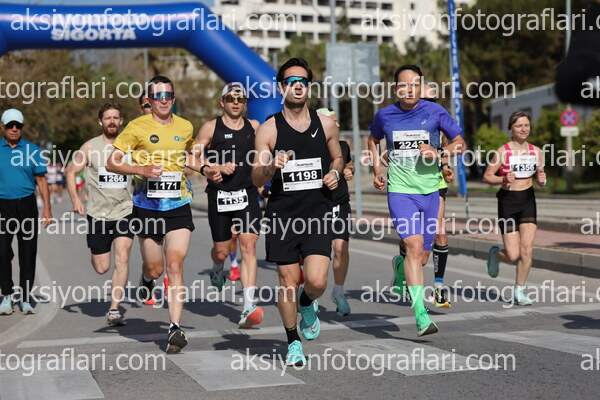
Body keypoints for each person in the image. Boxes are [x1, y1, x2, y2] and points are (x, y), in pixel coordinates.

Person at [252, 58, 343, 365]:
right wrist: (270, 167)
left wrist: (336, 172)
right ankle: (293, 342)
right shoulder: (268, 129)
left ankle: (307, 302)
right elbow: (256, 178)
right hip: (283, 216)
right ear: (281, 88)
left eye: (303, 81)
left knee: (316, 282)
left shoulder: (326, 124)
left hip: (317, 213)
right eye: (291, 81)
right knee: (287, 281)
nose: (298, 85)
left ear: (309, 87)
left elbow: (338, 158)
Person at [368, 65, 465, 336]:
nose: (409, 90)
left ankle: (400, 267)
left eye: (414, 85)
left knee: (421, 257)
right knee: (413, 245)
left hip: (431, 191)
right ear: (395, 88)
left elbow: (460, 143)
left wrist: (440, 152)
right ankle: (421, 315)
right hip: (400, 191)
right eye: (403, 85)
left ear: (420, 87)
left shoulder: (435, 112)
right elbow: (373, 140)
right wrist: (377, 170)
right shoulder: (385, 115)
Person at [107, 75, 195, 353]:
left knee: (175, 265)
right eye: (158, 96)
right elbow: (112, 162)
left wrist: (208, 168)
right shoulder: (136, 127)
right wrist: (141, 170)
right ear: (150, 99)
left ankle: (174, 327)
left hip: (179, 203)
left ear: (173, 98)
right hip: (148, 207)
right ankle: (147, 279)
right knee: (155, 268)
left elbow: (189, 155)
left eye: (169, 95)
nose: (164, 100)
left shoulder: (185, 126)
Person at [192, 82, 263, 328]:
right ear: (222, 102)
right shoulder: (211, 127)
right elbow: (190, 157)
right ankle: (217, 266)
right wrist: (211, 168)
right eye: (231, 98)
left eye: (240, 99)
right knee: (222, 250)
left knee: (249, 246)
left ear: (245, 103)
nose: (235, 103)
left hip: (247, 194)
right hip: (219, 196)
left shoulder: (255, 126)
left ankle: (248, 306)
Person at [65, 102, 133, 326]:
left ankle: (114, 309)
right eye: (107, 118)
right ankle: (98, 254)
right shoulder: (90, 147)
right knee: (102, 267)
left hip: (125, 211)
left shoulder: (130, 145)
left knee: (123, 256)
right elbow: (70, 171)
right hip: (98, 214)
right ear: (100, 122)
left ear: (121, 121)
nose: (112, 121)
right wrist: (75, 199)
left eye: (115, 117)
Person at [483, 111, 546, 306]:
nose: (523, 129)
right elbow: (487, 177)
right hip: (508, 203)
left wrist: (542, 180)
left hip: (528, 201)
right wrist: (502, 179)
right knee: (513, 255)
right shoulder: (502, 152)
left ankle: (519, 290)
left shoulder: (536, 151)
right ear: (510, 129)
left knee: (526, 250)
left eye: (526, 125)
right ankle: (496, 255)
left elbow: (540, 177)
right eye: (519, 126)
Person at [0, 108, 52, 315]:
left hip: (27, 205)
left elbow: (41, 180)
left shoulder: (32, 149)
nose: (14, 129)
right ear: (3, 127)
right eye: (10, 125)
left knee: (28, 253)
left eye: (18, 125)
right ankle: (6, 295)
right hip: (3, 206)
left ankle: (25, 297)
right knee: (2, 252)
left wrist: (47, 209)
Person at [316, 107, 354, 316]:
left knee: (341, 249)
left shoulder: (343, 145)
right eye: (333, 121)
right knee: (316, 254)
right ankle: (311, 294)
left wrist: (349, 170)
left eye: (337, 121)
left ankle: (338, 292)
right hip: (316, 207)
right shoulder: (311, 146)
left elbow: (349, 163)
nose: (337, 124)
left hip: (340, 204)